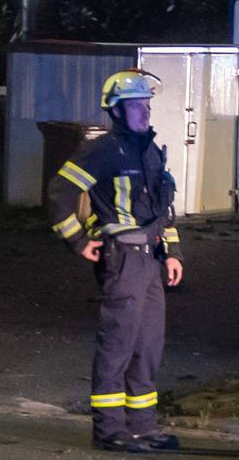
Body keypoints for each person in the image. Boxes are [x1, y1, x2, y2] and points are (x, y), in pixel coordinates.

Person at [45, 70, 184, 453]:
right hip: (122, 260)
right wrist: (77, 239)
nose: (144, 112)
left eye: (147, 104)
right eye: (136, 105)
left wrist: (172, 253)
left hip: (151, 260)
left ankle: (142, 427)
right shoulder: (103, 150)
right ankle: (109, 431)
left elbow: (163, 209)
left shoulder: (151, 150)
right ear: (117, 111)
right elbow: (60, 189)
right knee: (118, 346)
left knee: (148, 345)